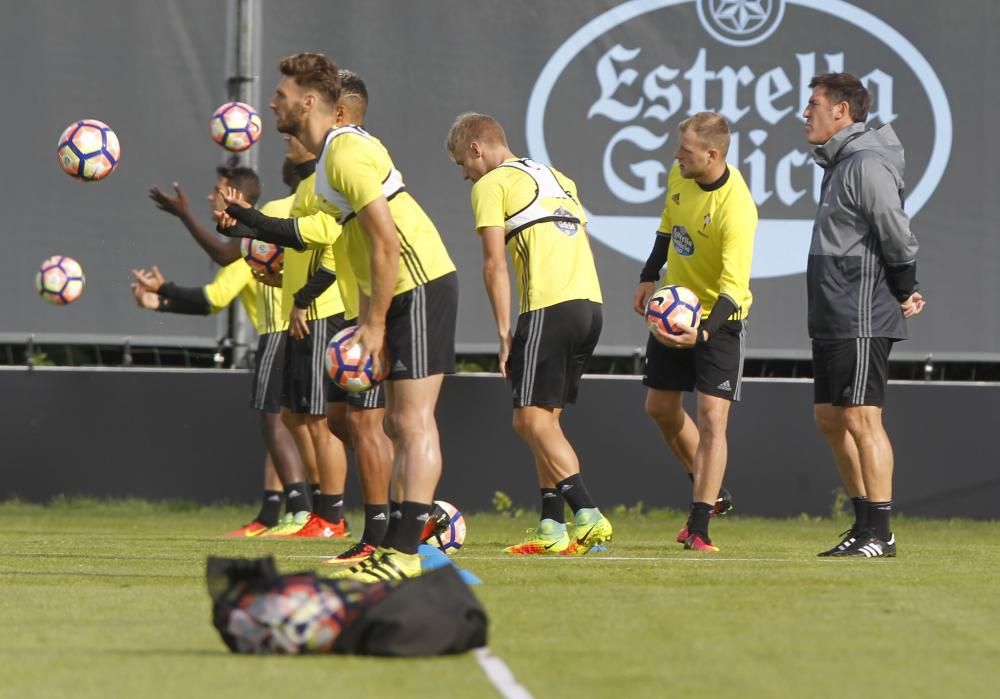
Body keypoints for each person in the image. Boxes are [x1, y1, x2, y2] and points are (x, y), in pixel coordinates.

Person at [217, 53, 457, 581]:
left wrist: (372, 322)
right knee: (393, 421)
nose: (272, 103)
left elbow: (386, 238)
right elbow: (320, 234)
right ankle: (394, 543)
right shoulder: (330, 159)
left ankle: (407, 551)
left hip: (416, 284)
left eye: (279, 94)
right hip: (397, 291)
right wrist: (247, 222)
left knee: (411, 422)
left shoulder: (345, 151)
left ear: (308, 102)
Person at [445, 113, 611, 555]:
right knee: (546, 422)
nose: (464, 174)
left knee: (528, 420)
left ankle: (588, 514)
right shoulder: (559, 177)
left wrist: (504, 334)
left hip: (548, 305)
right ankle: (552, 528)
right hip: (589, 305)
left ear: (477, 148)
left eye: (463, 162)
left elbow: (493, 264)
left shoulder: (491, 185)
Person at [144, 167, 312, 536]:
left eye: (216, 189)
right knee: (286, 425)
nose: (209, 196)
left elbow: (214, 297)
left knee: (278, 424)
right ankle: (278, 513)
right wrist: (162, 298)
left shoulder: (254, 240)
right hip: (294, 331)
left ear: (235, 195)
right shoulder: (258, 234)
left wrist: (163, 297)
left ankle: (305, 511)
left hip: (279, 330)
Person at [802, 73, 924, 558]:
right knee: (830, 418)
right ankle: (863, 524)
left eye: (813, 104)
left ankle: (882, 533)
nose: (805, 113)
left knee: (861, 417)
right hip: (833, 310)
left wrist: (905, 285)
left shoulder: (866, 163)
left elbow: (895, 231)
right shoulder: (841, 164)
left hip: (860, 311)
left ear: (841, 112)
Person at [632, 112, 757, 553]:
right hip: (675, 310)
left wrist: (702, 335)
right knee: (660, 408)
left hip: (720, 322)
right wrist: (649, 275)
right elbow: (668, 227)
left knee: (711, 420)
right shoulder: (679, 175)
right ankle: (712, 490)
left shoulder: (737, 209)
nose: (675, 156)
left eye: (684, 150)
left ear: (712, 155)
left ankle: (700, 525)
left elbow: (733, 290)